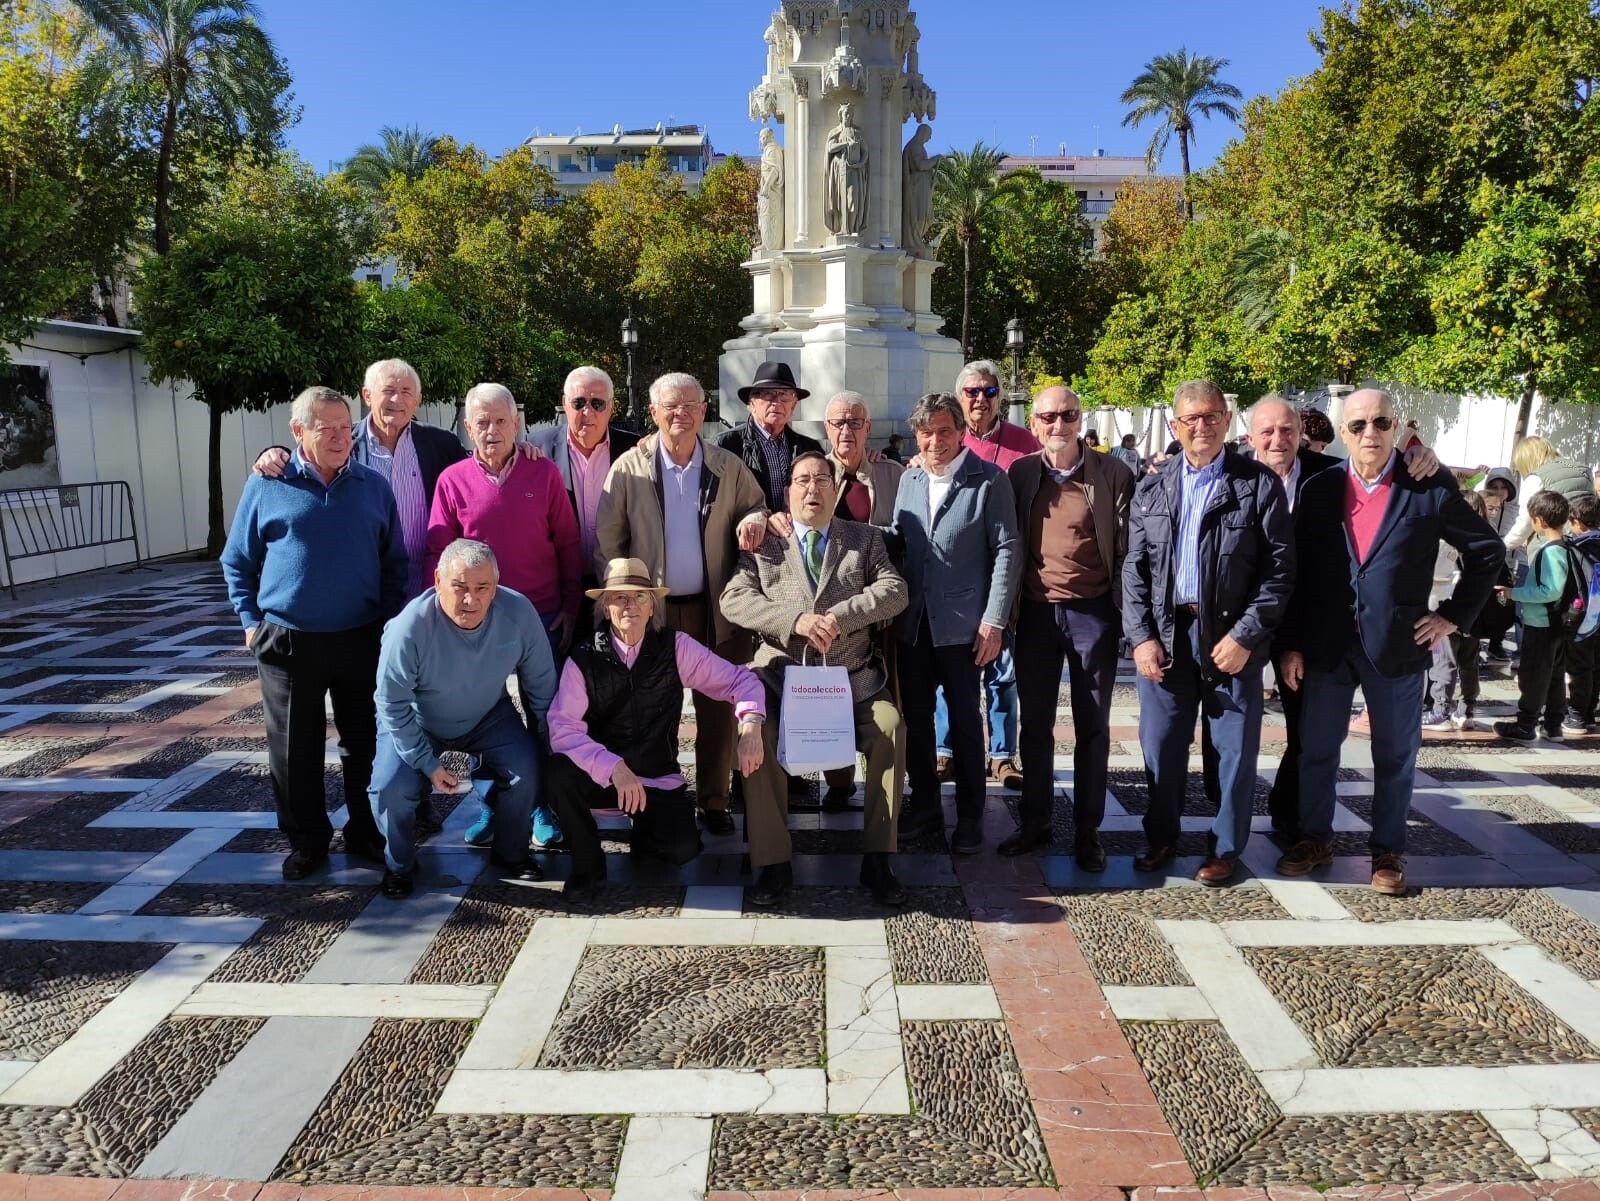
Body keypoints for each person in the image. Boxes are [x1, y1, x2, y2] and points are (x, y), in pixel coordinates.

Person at [1278, 389, 1502, 895]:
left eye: (1380, 423)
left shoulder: (1426, 485)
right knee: (1315, 749)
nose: (1370, 434)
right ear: (1343, 432)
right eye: (1358, 425)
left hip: (1398, 644)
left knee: (1395, 755)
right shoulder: (1319, 488)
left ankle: (1387, 852)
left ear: (1396, 426)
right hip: (1328, 644)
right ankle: (1314, 838)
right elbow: (1299, 572)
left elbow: (1487, 551)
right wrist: (1291, 643)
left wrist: (1451, 616)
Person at [221, 386, 408, 879]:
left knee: (365, 742)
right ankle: (307, 840)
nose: (340, 437)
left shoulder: (373, 486)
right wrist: (248, 621)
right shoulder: (267, 485)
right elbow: (237, 559)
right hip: (287, 641)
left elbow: (395, 563)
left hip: (361, 637)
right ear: (298, 431)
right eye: (327, 429)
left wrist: (388, 624)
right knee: (293, 749)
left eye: (346, 428)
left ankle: (365, 830)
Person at [1122, 380, 1294, 885]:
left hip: (1231, 640)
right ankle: (1161, 836)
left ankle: (1224, 848)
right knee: (1161, 745)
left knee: (1236, 751)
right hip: (1168, 636)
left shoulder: (1258, 484)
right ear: (1176, 426)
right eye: (1190, 419)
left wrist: (1245, 635)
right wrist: (1141, 637)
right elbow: (1132, 569)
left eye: (1211, 416)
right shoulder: (1151, 487)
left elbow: (1279, 572)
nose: (1201, 426)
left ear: (1227, 421)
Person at [722, 452, 909, 906]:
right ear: (788, 493)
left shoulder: (864, 539)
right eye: (802, 480)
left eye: (822, 479)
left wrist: (841, 617)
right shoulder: (766, 543)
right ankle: (771, 861)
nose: (813, 489)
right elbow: (734, 600)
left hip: (853, 681)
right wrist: (796, 620)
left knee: (890, 727)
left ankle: (878, 857)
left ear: (834, 488)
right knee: (757, 736)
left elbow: (895, 590)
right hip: (781, 683)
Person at [596, 372, 769, 835]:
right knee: (655, 709)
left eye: (691, 405)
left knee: (718, 708)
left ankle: (715, 799)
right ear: (653, 413)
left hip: (716, 610)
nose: (682, 413)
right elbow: (608, 542)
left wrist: (754, 519)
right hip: (655, 614)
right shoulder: (628, 469)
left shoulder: (725, 465)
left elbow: (757, 505)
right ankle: (660, 795)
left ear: (704, 410)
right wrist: (621, 605)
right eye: (671, 406)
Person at [547, 558, 767, 900]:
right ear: (605, 608)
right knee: (557, 774)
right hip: (602, 778)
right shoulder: (583, 658)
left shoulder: (675, 647)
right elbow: (563, 729)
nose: (630, 605)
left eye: (641, 597)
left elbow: (741, 680)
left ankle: (645, 832)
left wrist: (751, 724)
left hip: (656, 777)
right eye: (620, 598)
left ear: (653, 607)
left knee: (682, 849)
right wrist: (613, 767)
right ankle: (587, 867)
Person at [369, 540, 556, 897]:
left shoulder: (519, 614)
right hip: (419, 721)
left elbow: (542, 691)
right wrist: (426, 763)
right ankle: (399, 864)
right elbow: (391, 703)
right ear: (438, 580)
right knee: (390, 786)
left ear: (497, 586)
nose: (470, 600)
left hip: (489, 715)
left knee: (527, 769)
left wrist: (551, 747)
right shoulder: (408, 627)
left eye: (482, 588)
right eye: (460, 588)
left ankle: (511, 852)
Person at [1000, 387, 1133, 870]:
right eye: (1049, 417)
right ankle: (1035, 820)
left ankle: (1087, 829)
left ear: (1081, 420)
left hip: (1091, 613)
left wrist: (1125, 616)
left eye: (1068, 416)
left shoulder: (1112, 474)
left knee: (1092, 726)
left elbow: (1128, 549)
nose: (1059, 425)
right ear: (1034, 424)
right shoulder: (1021, 473)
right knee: (1034, 725)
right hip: (1035, 614)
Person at [889, 392, 1021, 854]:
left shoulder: (988, 480)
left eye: (945, 431)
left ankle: (969, 817)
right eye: (926, 433)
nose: (935, 441)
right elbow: (898, 541)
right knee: (918, 723)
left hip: (965, 626)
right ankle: (924, 807)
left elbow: (1008, 550)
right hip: (914, 624)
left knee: (966, 722)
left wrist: (994, 620)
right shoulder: (908, 481)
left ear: (961, 432)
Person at [425, 383, 582, 655]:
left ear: (515, 423)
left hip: (542, 614)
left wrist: (571, 606)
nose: (492, 431)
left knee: (546, 696)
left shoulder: (544, 473)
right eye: (482, 422)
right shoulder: (452, 480)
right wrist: (435, 611)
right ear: (469, 427)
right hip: (478, 615)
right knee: (482, 698)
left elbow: (568, 542)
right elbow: (438, 552)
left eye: (500, 421)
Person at [949, 359, 1038, 791]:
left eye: (989, 391)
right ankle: (945, 749)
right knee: (952, 670)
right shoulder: (946, 437)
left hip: (1006, 570)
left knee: (1003, 669)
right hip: (958, 576)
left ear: (1000, 396)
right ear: (959, 398)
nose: (980, 399)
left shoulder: (1025, 443)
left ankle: (1003, 755)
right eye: (972, 392)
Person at [820, 391, 905, 809]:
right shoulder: (815, 475)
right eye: (838, 423)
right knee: (832, 692)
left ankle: (886, 788)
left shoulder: (895, 475)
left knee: (887, 697)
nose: (846, 431)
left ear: (868, 428)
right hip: (832, 612)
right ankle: (838, 782)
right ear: (826, 428)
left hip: (880, 609)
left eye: (855, 422)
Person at [531, 366, 642, 638]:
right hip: (557, 589)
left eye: (597, 403)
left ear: (611, 407)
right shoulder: (536, 450)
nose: (587, 412)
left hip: (616, 587)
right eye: (579, 403)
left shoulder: (636, 451)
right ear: (564, 404)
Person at [1494, 490, 1576, 742]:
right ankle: (1553, 725)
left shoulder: (1550, 553)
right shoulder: (1567, 547)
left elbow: (1548, 590)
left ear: (1539, 520)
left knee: (1533, 675)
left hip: (1541, 623)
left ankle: (1525, 725)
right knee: (1553, 675)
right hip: (1559, 623)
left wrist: (1513, 593)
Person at [717, 361, 824, 513]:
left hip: (796, 534)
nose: (777, 402)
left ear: (793, 406)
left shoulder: (810, 448)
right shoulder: (726, 446)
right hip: (749, 534)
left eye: (785, 396)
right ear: (751, 403)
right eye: (768, 394)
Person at [1506, 437, 1595, 552]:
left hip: (1552, 545)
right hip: (1586, 541)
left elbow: (1526, 521)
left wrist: (1505, 545)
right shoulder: (1584, 470)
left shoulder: (1536, 477)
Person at [1565, 494, 1600, 735]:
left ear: (1577, 521)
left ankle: (1576, 714)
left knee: (1580, 666)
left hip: (1585, 617)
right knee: (1596, 666)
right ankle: (1588, 713)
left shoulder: (1576, 548)